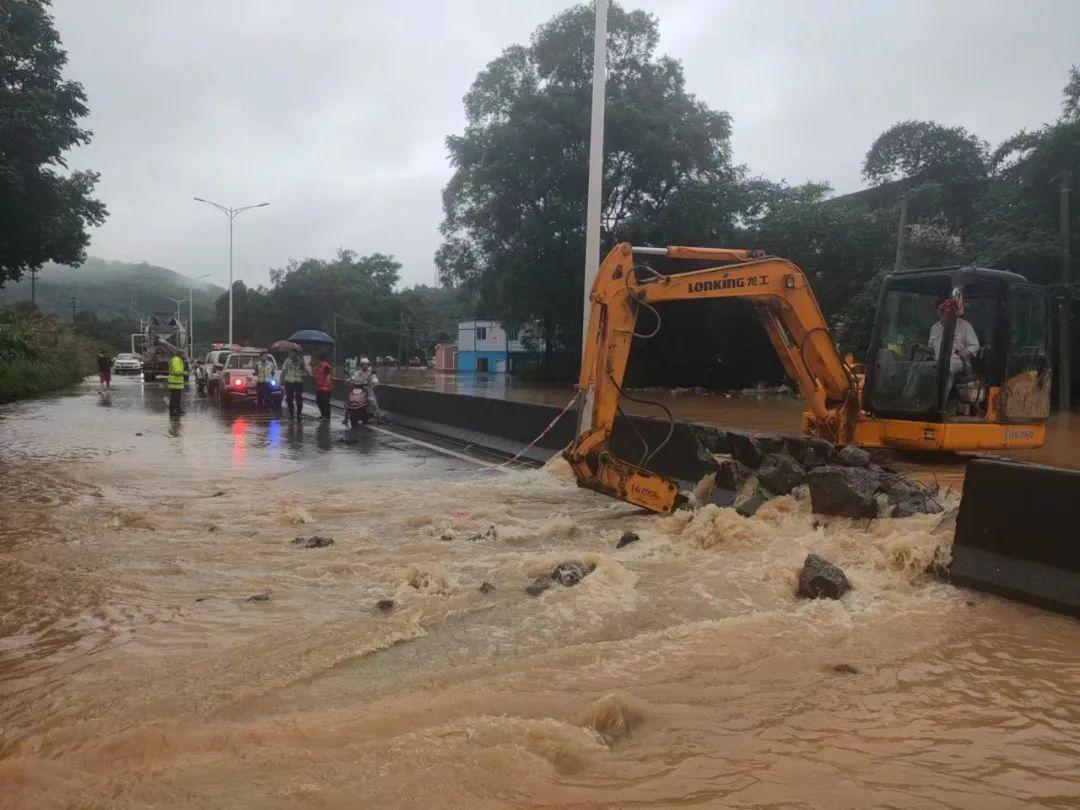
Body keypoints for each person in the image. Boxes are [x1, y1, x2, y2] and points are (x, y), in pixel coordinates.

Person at [929, 298, 979, 401]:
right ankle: (909, 398)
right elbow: (930, 347)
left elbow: (975, 346)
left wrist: (965, 351)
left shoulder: (965, 326)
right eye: (942, 311)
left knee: (947, 368)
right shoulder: (934, 328)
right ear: (938, 312)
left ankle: (939, 402)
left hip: (957, 362)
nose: (944, 313)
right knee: (917, 367)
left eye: (947, 311)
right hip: (936, 362)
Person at [344, 355, 380, 423]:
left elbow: (375, 380)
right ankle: (346, 417)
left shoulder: (371, 373)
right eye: (363, 364)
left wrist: (373, 381)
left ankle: (379, 418)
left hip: (368, 392)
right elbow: (353, 377)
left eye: (366, 364)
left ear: (368, 365)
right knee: (348, 401)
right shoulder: (358, 372)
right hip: (358, 391)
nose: (365, 366)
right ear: (361, 365)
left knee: (373, 403)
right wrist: (349, 380)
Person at [281, 347, 305, 420]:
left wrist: (301, 360)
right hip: (289, 382)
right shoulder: (287, 361)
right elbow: (283, 371)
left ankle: (299, 415)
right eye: (291, 353)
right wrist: (281, 381)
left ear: (296, 354)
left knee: (299, 399)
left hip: (298, 382)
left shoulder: (300, 361)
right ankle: (291, 414)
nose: (292, 354)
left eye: (294, 353)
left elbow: (304, 369)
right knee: (289, 399)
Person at [315, 352, 334, 420]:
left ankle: (327, 416)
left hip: (325, 388)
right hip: (320, 387)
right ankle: (323, 415)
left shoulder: (326, 366)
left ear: (319, 359)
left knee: (325, 403)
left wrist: (325, 385)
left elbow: (328, 376)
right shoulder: (320, 366)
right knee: (319, 401)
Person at [167, 349, 185, 416]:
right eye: (183, 354)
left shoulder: (176, 359)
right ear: (180, 354)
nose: (184, 355)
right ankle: (172, 412)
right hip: (175, 382)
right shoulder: (176, 360)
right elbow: (177, 371)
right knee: (174, 398)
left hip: (176, 383)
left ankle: (178, 410)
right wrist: (184, 373)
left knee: (177, 397)